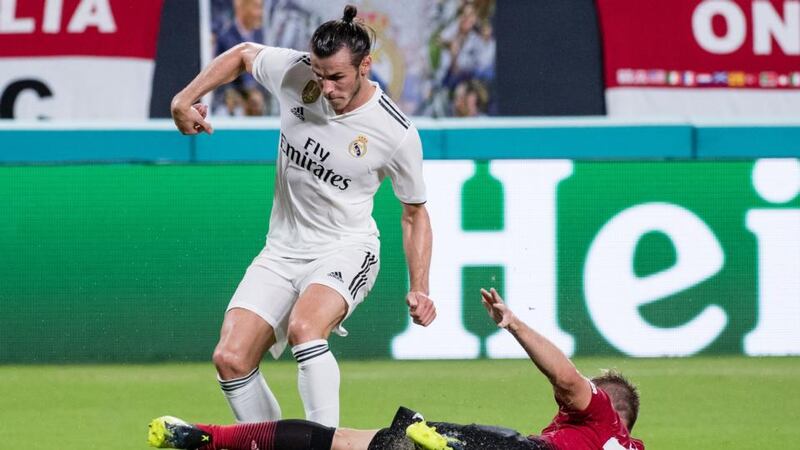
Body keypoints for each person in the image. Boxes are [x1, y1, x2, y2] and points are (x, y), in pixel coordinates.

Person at [170, 5, 437, 428]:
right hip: (282, 250)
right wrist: (185, 99)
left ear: (365, 66)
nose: (325, 86)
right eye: (319, 73)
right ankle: (268, 441)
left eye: (337, 77)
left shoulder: (395, 132)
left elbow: (414, 214)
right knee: (230, 358)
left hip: (346, 249)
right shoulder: (296, 74)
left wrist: (421, 287)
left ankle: (323, 441)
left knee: (306, 328)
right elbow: (241, 53)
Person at [147, 288, 645, 450]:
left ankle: (214, 437)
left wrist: (514, 324)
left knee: (346, 440)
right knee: (365, 441)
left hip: (513, 449)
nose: (562, 405)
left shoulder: (599, 418)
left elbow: (566, 379)